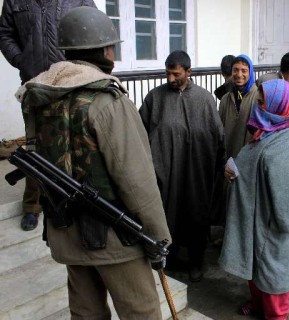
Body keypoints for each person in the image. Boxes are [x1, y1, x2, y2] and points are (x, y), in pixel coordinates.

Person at [14, 7, 171, 318]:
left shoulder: (41, 97)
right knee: (142, 313)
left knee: (85, 313)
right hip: (115, 238)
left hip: (65, 231)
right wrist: (159, 236)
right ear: (103, 48)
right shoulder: (107, 101)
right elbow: (136, 180)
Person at [219, 79, 289, 320]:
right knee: (256, 267)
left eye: (263, 103)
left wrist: (287, 225)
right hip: (255, 212)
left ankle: (276, 316)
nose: (258, 107)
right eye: (259, 102)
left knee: (273, 273)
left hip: (273, 220)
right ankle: (259, 306)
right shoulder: (270, 127)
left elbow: (287, 186)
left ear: (280, 104)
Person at [0, 0, 97, 231]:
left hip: (71, 83)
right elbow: (5, 34)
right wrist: (21, 60)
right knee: (35, 147)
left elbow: (93, 28)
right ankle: (32, 206)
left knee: (76, 144)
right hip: (35, 84)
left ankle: (77, 199)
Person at [139, 50, 224, 282]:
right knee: (168, 216)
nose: (170, 79)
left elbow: (218, 138)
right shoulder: (155, 98)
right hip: (165, 174)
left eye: (176, 74)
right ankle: (171, 258)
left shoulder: (205, 100)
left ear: (189, 72)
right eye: (167, 74)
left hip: (197, 174)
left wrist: (216, 170)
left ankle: (196, 263)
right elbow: (140, 133)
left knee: (196, 217)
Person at [213, 54, 258, 227]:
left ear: (250, 72)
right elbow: (219, 130)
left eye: (244, 71)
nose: (239, 75)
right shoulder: (225, 100)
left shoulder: (257, 98)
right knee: (228, 198)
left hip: (249, 159)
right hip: (229, 159)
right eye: (236, 70)